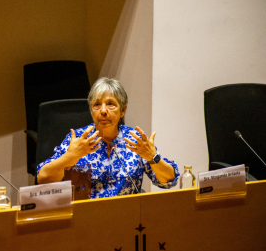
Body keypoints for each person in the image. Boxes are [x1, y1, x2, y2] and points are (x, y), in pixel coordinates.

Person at [37, 77, 179, 198]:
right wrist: (71, 156)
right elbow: (43, 179)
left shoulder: (135, 140)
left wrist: (152, 157)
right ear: (91, 110)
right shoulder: (77, 140)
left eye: (110, 104)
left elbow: (168, 181)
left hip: (127, 218)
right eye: (97, 104)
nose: (103, 111)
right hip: (85, 219)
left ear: (122, 110)